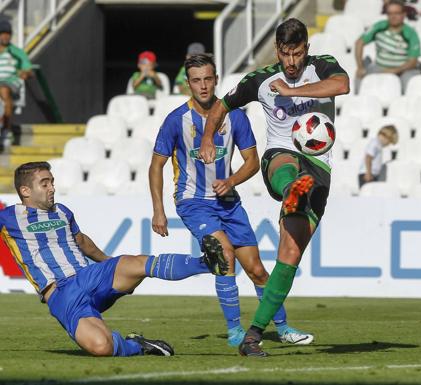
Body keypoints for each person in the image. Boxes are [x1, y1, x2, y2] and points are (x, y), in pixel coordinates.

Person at [198, 18, 349, 357]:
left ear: (306, 50)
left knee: (289, 256)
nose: (291, 62)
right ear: (277, 51)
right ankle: (291, 188)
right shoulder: (260, 80)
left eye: (296, 54)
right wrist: (208, 136)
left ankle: (253, 336)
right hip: (280, 156)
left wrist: (293, 92)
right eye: (285, 54)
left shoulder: (322, 67)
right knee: (287, 166)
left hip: (318, 167)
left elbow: (342, 85)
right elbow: (222, 105)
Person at [149, 53, 313, 348]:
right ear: (188, 84)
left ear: (216, 80)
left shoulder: (235, 116)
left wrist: (231, 181)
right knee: (224, 254)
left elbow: (252, 162)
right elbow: (156, 165)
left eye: (208, 79)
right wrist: (158, 210)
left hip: (229, 202)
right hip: (193, 201)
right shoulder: (176, 121)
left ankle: (284, 327)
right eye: (196, 80)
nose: (203, 86)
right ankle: (236, 331)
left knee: (257, 269)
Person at [1, 161, 229, 357]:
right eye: (45, 183)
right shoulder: (8, 217)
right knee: (101, 347)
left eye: (52, 181)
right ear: (25, 191)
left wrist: (109, 262)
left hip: (87, 277)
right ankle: (136, 345)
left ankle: (207, 263)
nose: (52, 188)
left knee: (135, 263)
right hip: (60, 295)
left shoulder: (62, 211)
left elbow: (80, 241)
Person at [354, 0, 421, 92]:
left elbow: (413, 62)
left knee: (409, 84)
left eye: (397, 13)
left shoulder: (411, 33)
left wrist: (394, 70)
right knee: (361, 78)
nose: (393, 16)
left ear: (404, 14)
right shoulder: (379, 26)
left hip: (404, 70)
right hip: (380, 67)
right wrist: (360, 67)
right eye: (390, 13)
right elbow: (359, 43)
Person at [0, 19, 31, 150]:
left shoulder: (16, 51)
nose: (6, 36)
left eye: (8, 33)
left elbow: (28, 69)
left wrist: (25, 73)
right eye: (2, 33)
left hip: (10, 82)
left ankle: (6, 131)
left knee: (3, 90)